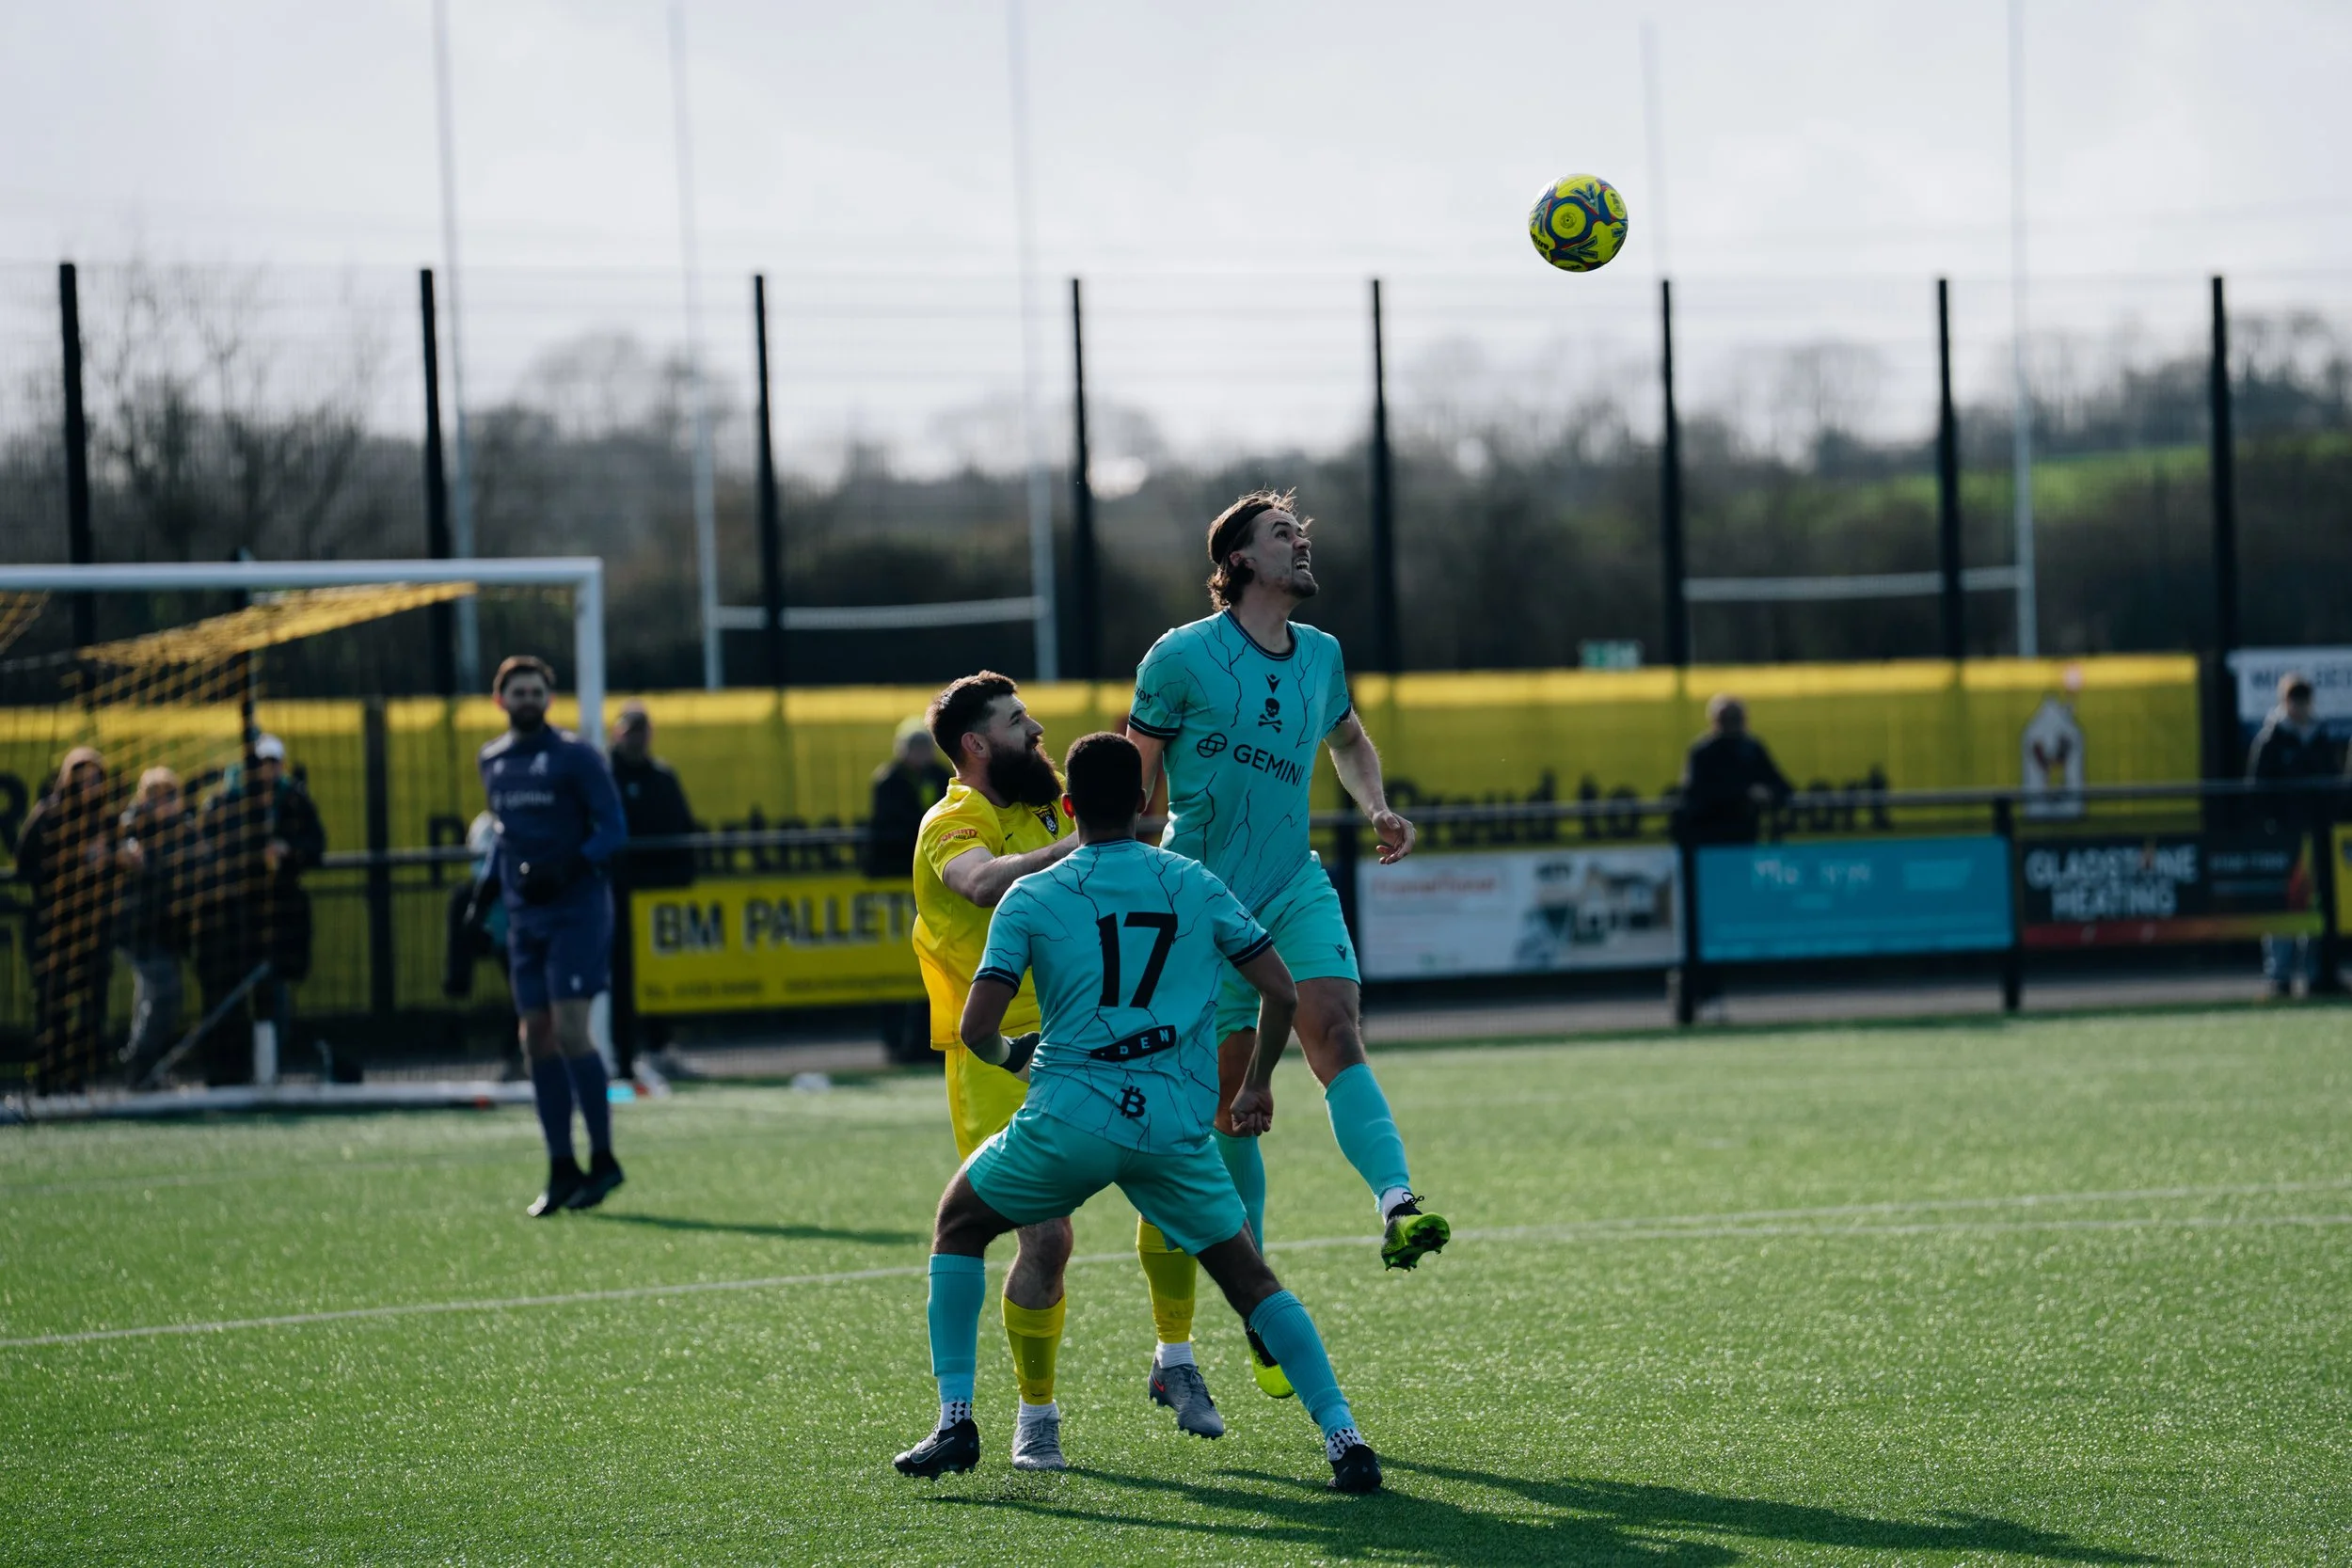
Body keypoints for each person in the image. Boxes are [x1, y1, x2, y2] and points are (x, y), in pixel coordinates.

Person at [895, 732, 1382, 1493]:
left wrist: (1012, 1058)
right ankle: (1345, 1436)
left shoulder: (1034, 894)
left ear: (1067, 806)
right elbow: (1282, 991)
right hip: (1174, 1127)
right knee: (1252, 1279)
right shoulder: (1193, 883)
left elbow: (976, 1027)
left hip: (1071, 1117)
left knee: (960, 1223)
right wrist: (1255, 1083)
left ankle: (957, 1419)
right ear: (1144, 805)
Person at [1123, 489, 1448, 1363]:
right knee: (1236, 1106)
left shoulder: (1323, 655)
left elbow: (1348, 740)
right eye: (1281, 534)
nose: (1301, 541)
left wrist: (1376, 804)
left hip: (1292, 882)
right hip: (1202, 899)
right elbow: (1135, 777)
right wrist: (1127, 868)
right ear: (1238, 563)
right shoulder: (1181, 657)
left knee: (1335, 1029)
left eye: (1300, 530)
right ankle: (1260, 1298)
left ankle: (1397, 1204)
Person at [911, 672, 1219, 1469]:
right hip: (994, 1052)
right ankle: (1035, 1413)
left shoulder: (1050, 803)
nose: (1037, 729)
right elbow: (979, 884)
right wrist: (1084, 844)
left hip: (1095, 1031)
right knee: (1044, 1238)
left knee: (1172, 1181)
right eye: (1018, 722)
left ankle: (1176, 1360)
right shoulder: (954, 819)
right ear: (976, 745)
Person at [479, 656, 631, 1216]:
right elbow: (503, 838)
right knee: (533, 1039)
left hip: (577, 910)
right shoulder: (492, 761)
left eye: (535, 690)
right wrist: (485, 896)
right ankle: (561, 1165)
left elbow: (614, 830)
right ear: (500, 700)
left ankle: (605, 1158)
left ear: (548, 696)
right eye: (516, 691)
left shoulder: (575, 757)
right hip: (525, 917)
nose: (526, 699)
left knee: (571, 1030)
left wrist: (567, 868)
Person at [190, 734, 325, 1086]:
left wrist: (288, 852)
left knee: (273, 992)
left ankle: (268, 1070)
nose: (267, 771)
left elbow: (316, 846)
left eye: (272, 763)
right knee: (228, 996)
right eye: (260, 764)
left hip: (277, 915)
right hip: (230, 916)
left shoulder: (294, 799)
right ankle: (226, 1073)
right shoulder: (222, 802)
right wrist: (252, 854)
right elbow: (207, 852)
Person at [12, 747, 124, 1092]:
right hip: (51, 925)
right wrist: (73, 860)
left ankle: (78, 1078)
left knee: (91, 1003)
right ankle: (48, 1078)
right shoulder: (48, 815)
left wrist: (114, 859)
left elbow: (120, 864)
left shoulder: (107, 820)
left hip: (93, 926)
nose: (89, 784)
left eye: (95, 777)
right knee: (51, 1003)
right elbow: (24, 866)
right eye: (83, 776)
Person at [607, 701, 697, 1084]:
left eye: (642, 730)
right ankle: (622, 1057)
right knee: (621, 978)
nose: (636, 738)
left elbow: (682, 830)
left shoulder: (663, 778)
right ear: (617, 733)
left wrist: (677, 878)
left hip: (657, 898)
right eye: (629, 730)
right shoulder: (603, 776)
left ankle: (660, 1050)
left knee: (661, 978)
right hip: (618, 897)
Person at [2247, 673, 2339, 998]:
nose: (2298, 707)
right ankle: (2280, 977)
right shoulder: (2271, 739)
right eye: (2293, 700)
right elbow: (2257, 790)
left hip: (2316, 837)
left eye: (2303, 700)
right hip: (2283, 838)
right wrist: (2272, 827)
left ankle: (2317, 975)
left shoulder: (2321, 735)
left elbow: (2332, 783)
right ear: (2284, 702)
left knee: (2316, 905)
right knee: (2282, 907)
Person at [116, 768, 198, 1085]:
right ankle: (141, 1065)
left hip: (171, 930)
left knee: (152, 997)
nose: (163, 803)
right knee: (163, 993)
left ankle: (144, 1067)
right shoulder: (131, 829)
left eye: (169, 795)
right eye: (155, 796)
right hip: (139, 931)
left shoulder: (184, 830)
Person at [1677, 694, 1794, 847]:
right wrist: (1745, 794)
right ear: (1715, 721)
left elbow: (1783, 787)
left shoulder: (1751, 748)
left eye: (1736, 718)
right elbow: (1694, 793)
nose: (1732, 723)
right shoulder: (1703, 752)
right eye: (1727, 718)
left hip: (1744, 837)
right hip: (1710, 837)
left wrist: (1767, 793)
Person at [866, 717, 952, 879]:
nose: (920, 751)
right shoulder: (888, 779)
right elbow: (890, 820)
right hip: (898, 859)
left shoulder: (941, 775)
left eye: (924, 745)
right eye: (914, 745)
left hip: (936, 853)